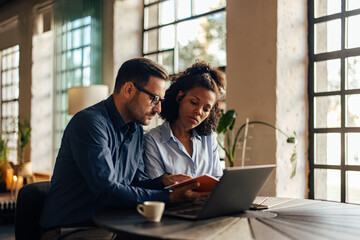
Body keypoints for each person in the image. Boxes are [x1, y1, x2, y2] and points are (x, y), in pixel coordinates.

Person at [40, 58, 210, 240]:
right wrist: (171, 197)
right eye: (154, 99)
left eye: (161, 100)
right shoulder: (89, 123)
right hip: (72, 229)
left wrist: (165, 181)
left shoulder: (135, 130)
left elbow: (135, 181)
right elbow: (107, 191)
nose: (159, 109)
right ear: (129, 89)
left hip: (111, 225)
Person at [144, 61, 225, 179]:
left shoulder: (209, 139)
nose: (199, 111)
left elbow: (218, 182)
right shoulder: (152, 140)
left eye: (206, 109)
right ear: (180, 96)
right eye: (194, 102)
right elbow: (157, 187)